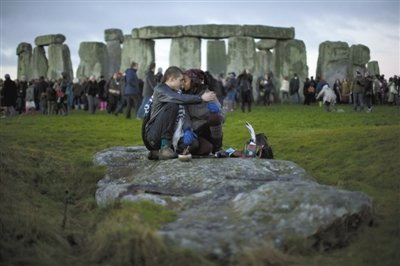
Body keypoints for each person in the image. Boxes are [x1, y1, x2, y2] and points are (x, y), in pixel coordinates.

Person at [142, 66, 216, 160]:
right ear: (172, 79)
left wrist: (187, 129)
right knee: (173, 105)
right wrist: (200, 98)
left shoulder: (178, 93)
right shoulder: (160, 89)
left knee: (194, 144)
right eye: (180, 80)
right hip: (154, 136)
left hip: (173, 134)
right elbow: (177, 99)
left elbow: (185, 114)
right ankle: (165, 147)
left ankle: (160, 153)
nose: (182, 83)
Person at [182, 69, 224, 155]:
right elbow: (185, 116)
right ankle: (209, 147)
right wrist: (187, 129)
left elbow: (222, 117)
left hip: (209, 130)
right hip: (195, 132)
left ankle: (217, 147)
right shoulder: (184, 96)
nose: (183, 83)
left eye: (185, 81)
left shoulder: (208, 94)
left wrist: (217, 112)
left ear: (194, 81)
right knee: (206, 149)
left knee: (215, 117)